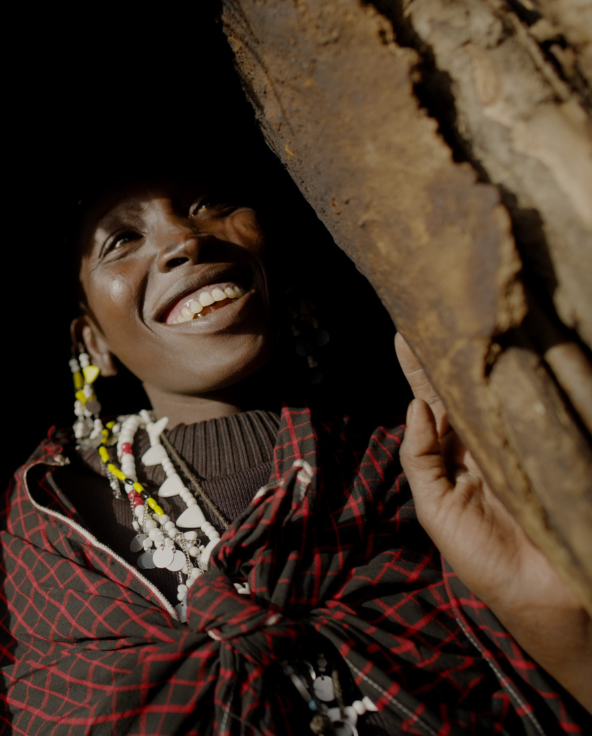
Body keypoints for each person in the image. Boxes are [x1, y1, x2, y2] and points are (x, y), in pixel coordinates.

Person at [1, 165, 590, 736]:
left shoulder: (425, 457)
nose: (183, 240)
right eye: (122, 239)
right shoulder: (49, 528)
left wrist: (543, 612)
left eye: (209, 204)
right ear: (93, 343)